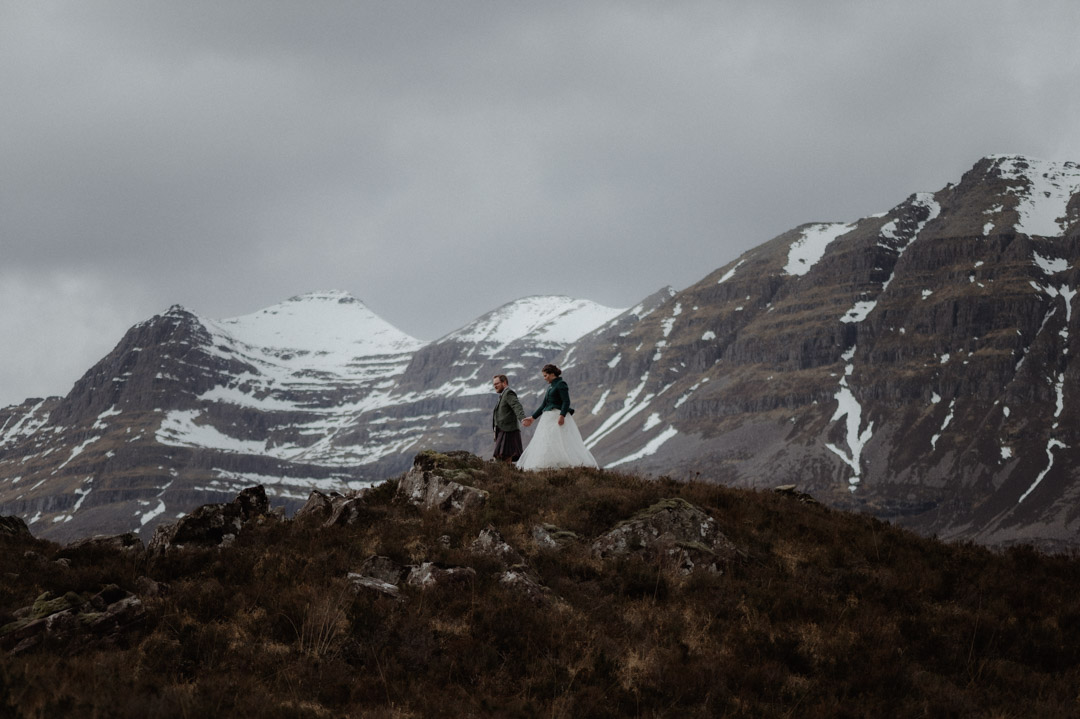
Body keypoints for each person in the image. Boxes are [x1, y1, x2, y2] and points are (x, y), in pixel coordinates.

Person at [517, 364, 598, 470]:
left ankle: (564, 464)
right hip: (547, 418)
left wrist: (562, 415)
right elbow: (544, 405)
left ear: (552, 374)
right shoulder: (550, 387)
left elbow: (566, 401)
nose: (545, 378)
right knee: (547, 440)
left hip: (557, 417)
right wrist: (533, 418)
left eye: (546, 376)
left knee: (560, 440)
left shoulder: (561, 384)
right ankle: (547, 465)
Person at [491, 374, 526, 462]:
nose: (495, 386)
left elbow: (516, 406)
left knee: (504, 456)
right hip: (502, 430)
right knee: (501, 457)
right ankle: (506, 475)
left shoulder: (508, 393)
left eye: (497, 384)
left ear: (504, 382)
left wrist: (522, 418)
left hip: (508, 430)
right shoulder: (503, 395)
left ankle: (507, 475)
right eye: (494, 384)